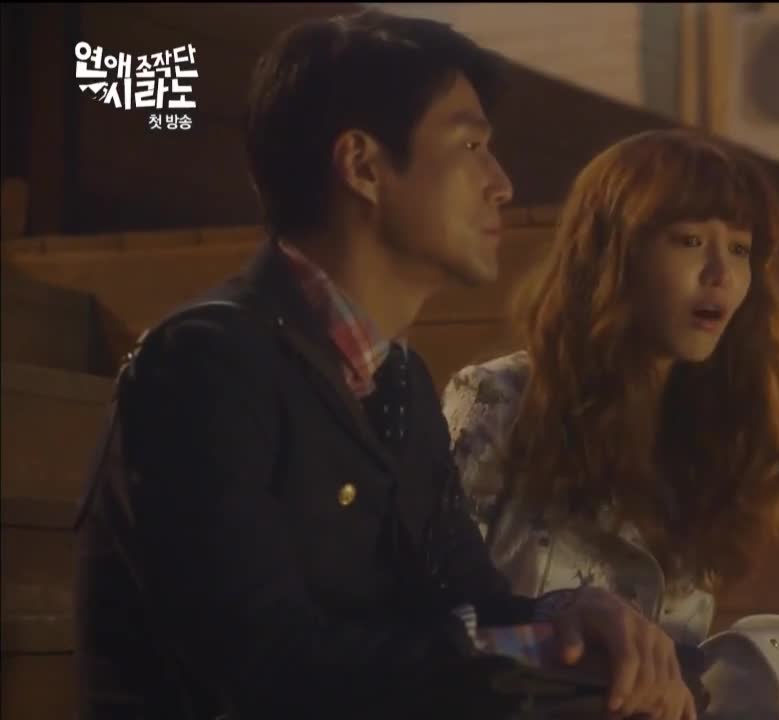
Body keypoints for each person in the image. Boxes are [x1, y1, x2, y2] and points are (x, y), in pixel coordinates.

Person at [73, 10, 695, 720]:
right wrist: (521, 654)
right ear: (364, 166)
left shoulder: (397, 380)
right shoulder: (205, 364)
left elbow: (470, 600)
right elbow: (265, 666)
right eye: (471, 145)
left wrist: (572, 619)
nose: (501, 183)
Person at [441, 128, 779, 648]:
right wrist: (561, 647)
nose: (722, 275)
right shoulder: (500, 399)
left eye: (739, 249)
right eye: (690, 241)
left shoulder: (713, 437)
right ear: (613, 253)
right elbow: (428, 621)